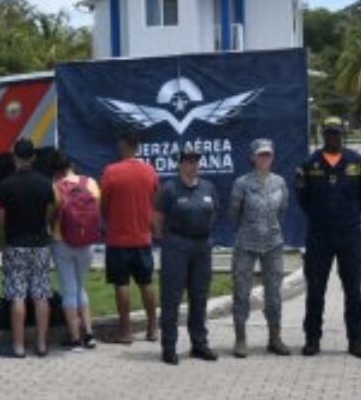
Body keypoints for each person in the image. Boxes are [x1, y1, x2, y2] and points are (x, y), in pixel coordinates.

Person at [297, 117, 361, 359]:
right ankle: (312, 340)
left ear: (342, 135)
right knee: (316, 290)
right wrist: (322, 218)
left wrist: (347, 217)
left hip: (349, 235)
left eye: (336, 133)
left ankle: (356, 341)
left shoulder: (357, 162)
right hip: (319, 236)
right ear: (322, 135)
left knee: (354, 290)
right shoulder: (310, 164)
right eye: (329, 133)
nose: (333, 137)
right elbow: (303, 199)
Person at [153, 146, 219, 366]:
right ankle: (169, 347)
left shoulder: (208, 187)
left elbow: (214, 212)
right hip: (176, 246)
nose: (192, 165)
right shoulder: (170, 189)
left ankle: (199, 344)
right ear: (180, 164)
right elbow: (157, 219)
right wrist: (167, 240)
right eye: (188, 161)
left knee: (199, 297)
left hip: (202, 247)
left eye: (195, 161)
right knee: (172, 297)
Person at [230, 139, 291, 358]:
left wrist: (268, 228)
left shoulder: (280, 183)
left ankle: (275, 338)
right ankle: (240, 339)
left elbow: (282, 211)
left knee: (274, 294)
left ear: (273, 157)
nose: (264, 158)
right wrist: (251, 229)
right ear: (253, 157)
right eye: (260, 155)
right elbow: (234, 213)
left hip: (273, 243)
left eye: (268, 155)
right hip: (246, 243)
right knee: (242, 292)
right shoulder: (242, 184)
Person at [0, 139, 55, 358]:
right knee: (41, 294)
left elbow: (1, 220)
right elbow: (49, 214)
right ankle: (41, 344)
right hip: (40, 244)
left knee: (17, 295)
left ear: (14, 157)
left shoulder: (5, 185)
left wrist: (9, 231)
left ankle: (19, 346)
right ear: (33, 158)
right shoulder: (45, 184)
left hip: (15, 243)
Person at [100, 131, 160, 344]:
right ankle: (153, 328)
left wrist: (107, 220)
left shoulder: (111, 171)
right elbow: (155, 201)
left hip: (118, 238)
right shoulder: (150, 171)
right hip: (143, 237)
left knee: (121, 284)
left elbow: (104, 203)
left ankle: (125, 331)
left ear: (124, 145)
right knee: (146, 282)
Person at [50, 151, 100, 352]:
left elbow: (51, 214)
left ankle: (74, 337)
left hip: (62, 241)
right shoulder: (91, 183)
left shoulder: (55, 187)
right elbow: (98, 209)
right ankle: (89, 333)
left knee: (69, 289)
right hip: (87, 242)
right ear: (71, 164)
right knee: (82, 287)